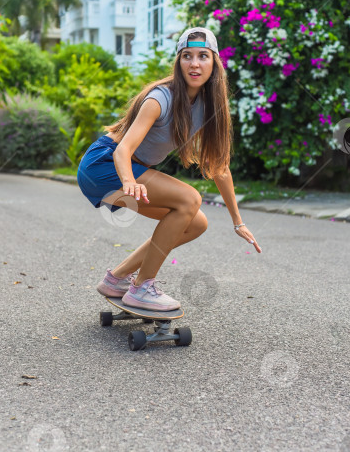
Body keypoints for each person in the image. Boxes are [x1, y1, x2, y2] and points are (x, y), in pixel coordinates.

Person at [77, 27, 262, 312]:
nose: (195, 63)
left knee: (196, 222)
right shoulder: (160, 98)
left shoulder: (208, 106)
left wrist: (238, 222)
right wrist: (129, 181)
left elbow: (219, 168)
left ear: (214, 63)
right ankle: (142, 288)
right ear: (179, 62)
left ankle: (116, 279)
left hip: (127, 170)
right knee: (189, 198)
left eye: (203, 56)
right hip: (103, 163)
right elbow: (123, 150)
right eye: (187, 56)